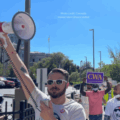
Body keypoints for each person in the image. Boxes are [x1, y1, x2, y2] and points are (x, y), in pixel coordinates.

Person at [0, 33, 86, 120]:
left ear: (67, 85)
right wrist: (6, 42)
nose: (54, 85)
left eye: (59, 81)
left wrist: (50, 118)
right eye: (50, 82)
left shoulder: (76, 109)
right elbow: (23, 74)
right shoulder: (41, 101)